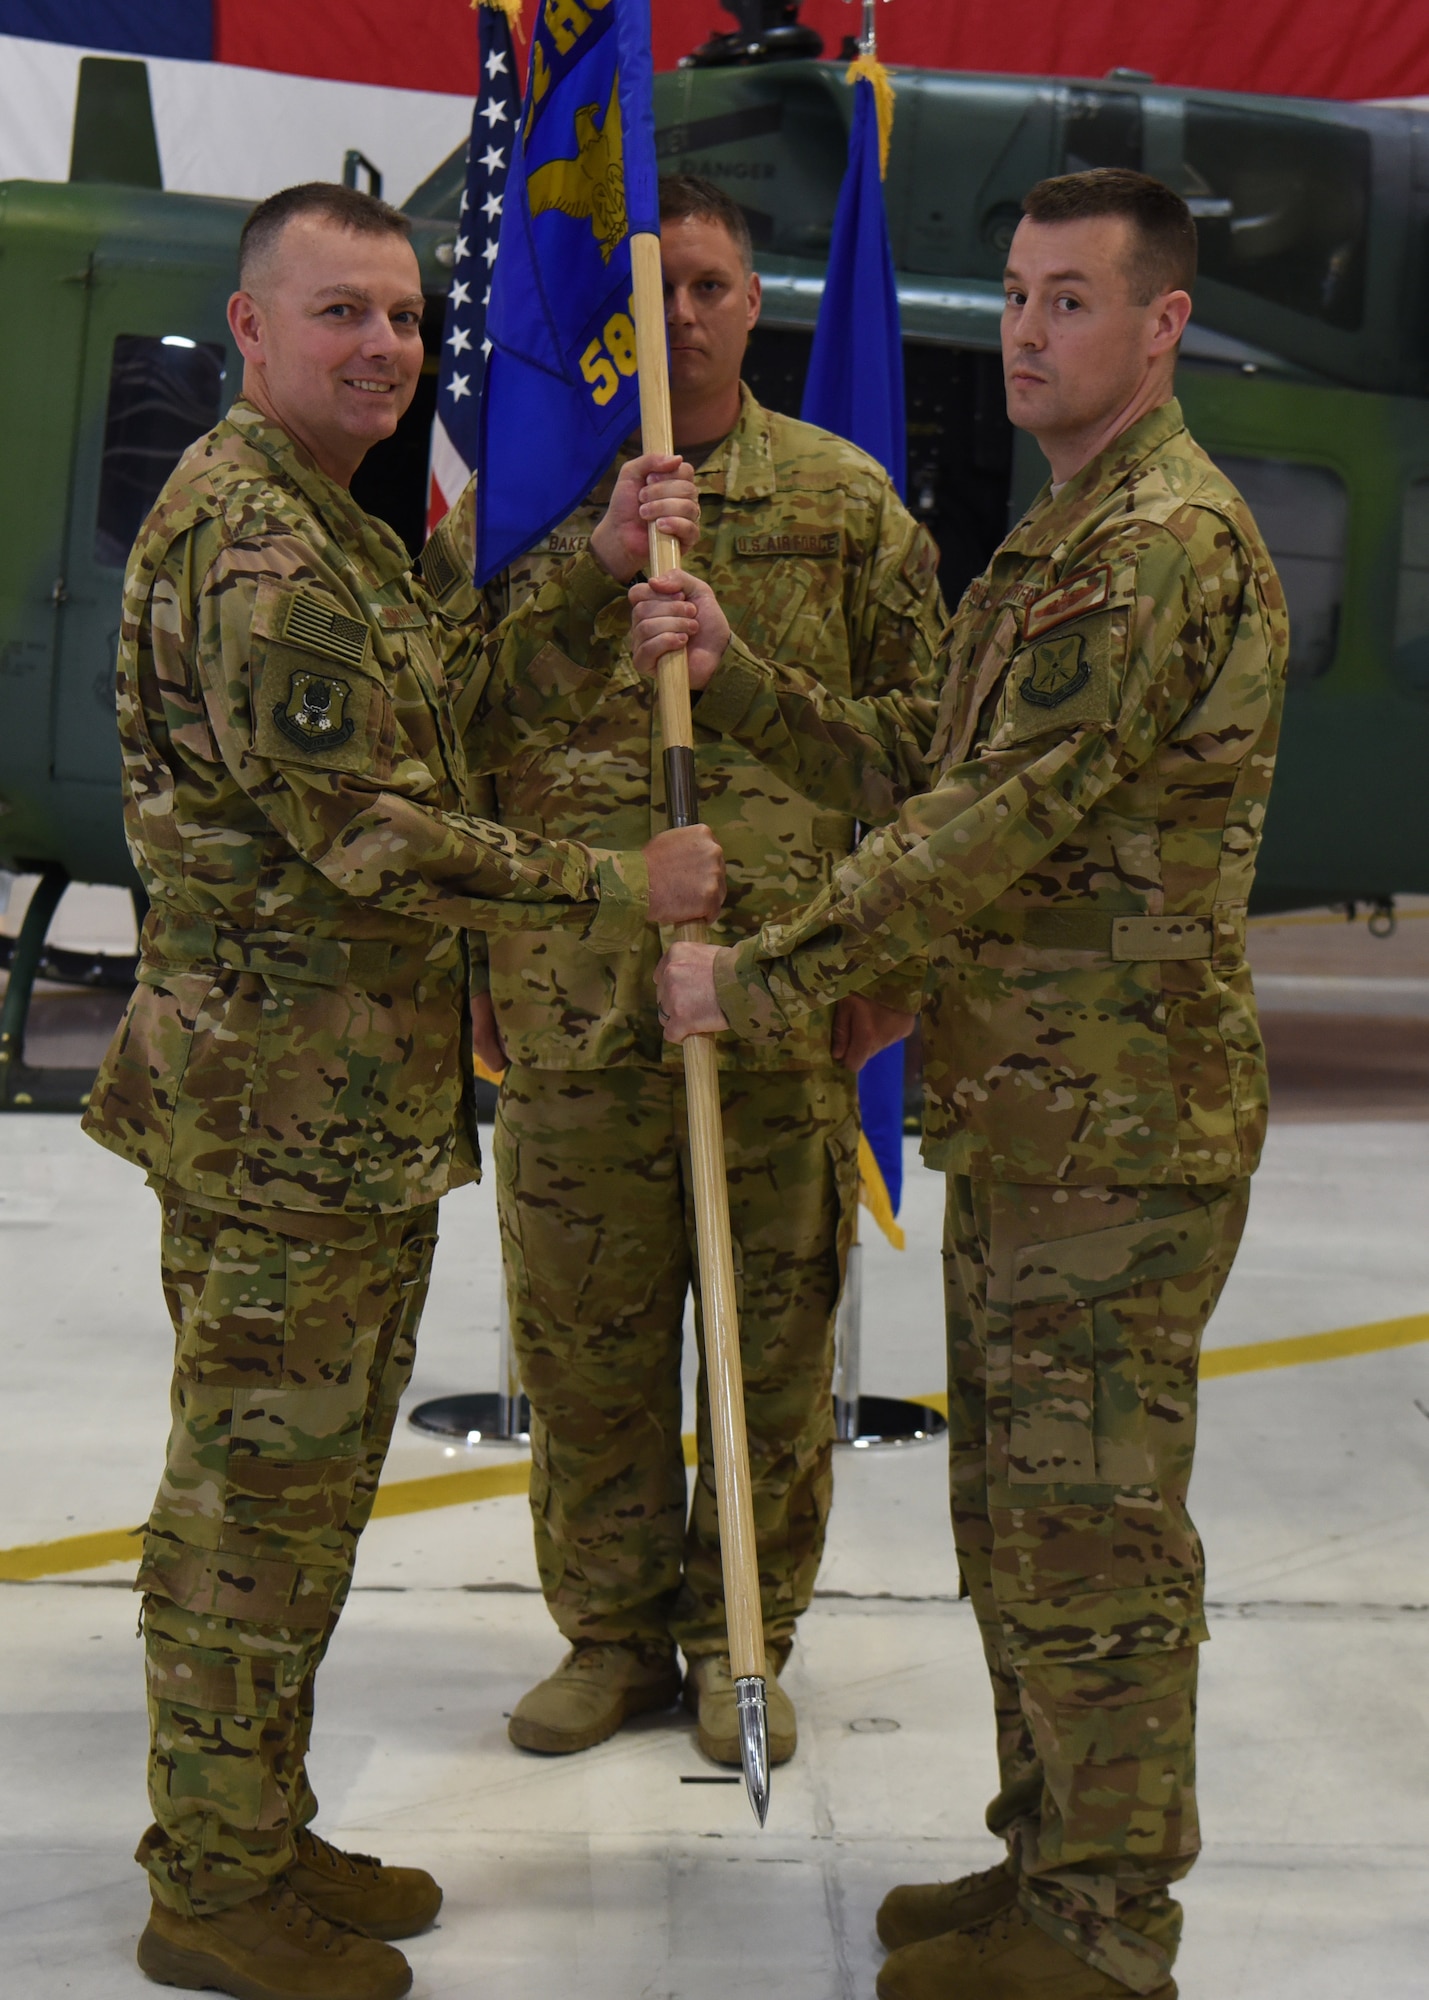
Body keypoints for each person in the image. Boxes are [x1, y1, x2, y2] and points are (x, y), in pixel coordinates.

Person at [643, 168, 1288, 2000]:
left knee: (1090, 1540)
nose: (1024, 328)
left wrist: (760, 977)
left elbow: (987, 832)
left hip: (1120, 1136)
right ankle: (1042, 1869)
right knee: (1015, 1523)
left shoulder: (1158, 543)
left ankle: (1104, 1931)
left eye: (1071, 299)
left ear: (1160, 326)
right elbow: (930, 767)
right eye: (1013, 292)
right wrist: (738, 677)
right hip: (1040, 1117)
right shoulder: (1069, 531)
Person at [82, 181, 721, 2000]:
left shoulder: (328, 524)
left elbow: (432, 689)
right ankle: (210, 1882)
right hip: (278, 1115)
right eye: (341, 315)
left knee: (303, 1496)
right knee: (250, 1509)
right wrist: (618, 886)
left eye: (404, 318)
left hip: (330, 1112)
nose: (386, 348)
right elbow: (368, 832)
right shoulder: (263, 548)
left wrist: (588, 576)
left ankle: (253, 1828)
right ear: (251, 330)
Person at [421, 173, 945, 1769]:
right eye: (663, 290)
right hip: (573, 1011)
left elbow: (927, 757)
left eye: (712, 284)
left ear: (754, 303)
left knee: (770, 1358)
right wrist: (586, 567)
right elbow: (445, 734)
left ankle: (740, 1642)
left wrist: (891, 966)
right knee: (579, 1355)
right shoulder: (526, 509)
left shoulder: (842, 506)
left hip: (776, 1005)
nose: (688, 315)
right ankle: (606, 1643)